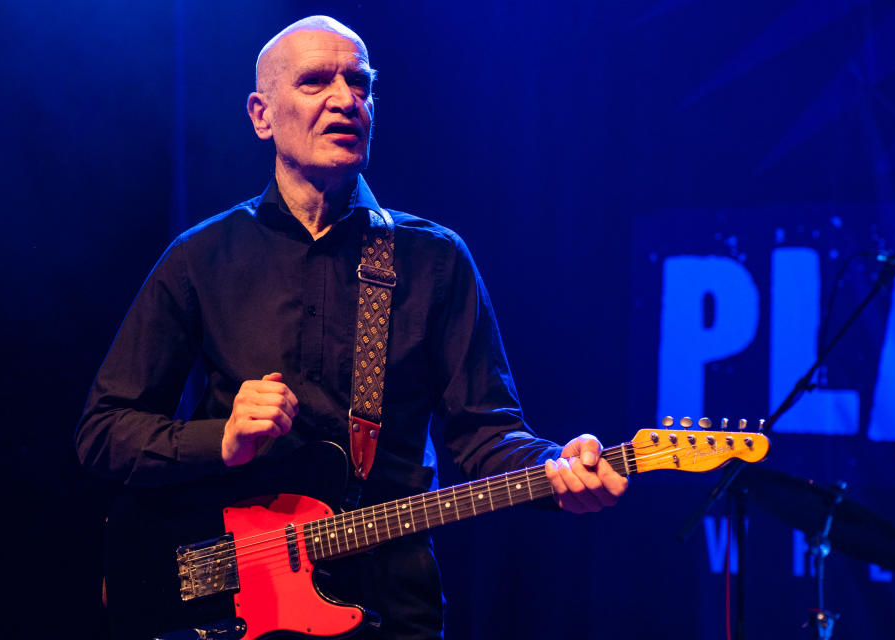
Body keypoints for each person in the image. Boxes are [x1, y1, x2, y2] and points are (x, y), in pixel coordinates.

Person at [76, 15, 627, 640]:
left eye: (360, 84)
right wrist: (219, 440)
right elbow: (103, 433)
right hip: (225, 607)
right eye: (315, 82)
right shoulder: (202, 257)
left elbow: (485, 433)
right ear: (261, 115)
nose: (346, 99)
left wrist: (558, 471)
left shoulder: (434, 259)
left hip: (390, 608)